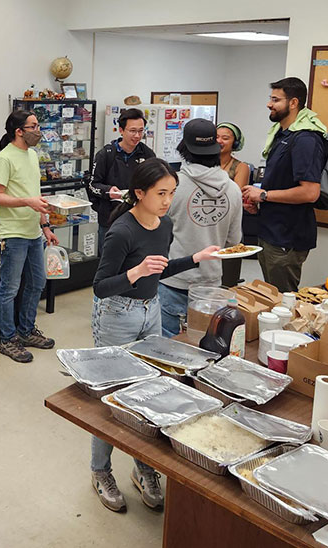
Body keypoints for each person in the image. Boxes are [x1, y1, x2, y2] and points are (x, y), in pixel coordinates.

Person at [90, 157, 220, 512]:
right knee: (112, 398)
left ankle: (143, 466)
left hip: (151, 311)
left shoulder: (165, 225)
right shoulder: (121, 231)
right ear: (139, 193)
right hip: (117, 315)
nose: (167, 200)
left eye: (172, 193)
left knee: (149, 392)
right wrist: (135, 272)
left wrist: (196, 257)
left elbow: (158, 271)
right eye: (161, 193)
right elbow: (100, 287)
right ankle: (100, 470)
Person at [241, 77, 328, 293]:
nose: (269, 104)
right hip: (270, 230)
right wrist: (259, 202)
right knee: (270, 297)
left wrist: (264, 195)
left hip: (287, 237)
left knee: (283, 301)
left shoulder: (305, 140)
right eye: (270, 98)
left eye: (275, 100)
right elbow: (281, 181)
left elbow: (310, 192)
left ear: (293, 103)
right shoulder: (282, 135)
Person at [158, 120, 243, 337]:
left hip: (173, 279)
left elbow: (155, 232)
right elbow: (234, 242)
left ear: (183, 148)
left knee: (168, 346)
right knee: (205, 344)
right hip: (211, 283)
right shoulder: (233, 190)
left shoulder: (171, 187)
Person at [0, 109, 60, 363]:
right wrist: (27, 202)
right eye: (33, 126)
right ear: (18, 131)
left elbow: (35, 195)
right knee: (9, 288)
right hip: (13, 233)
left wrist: (46, 226)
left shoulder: (32, 155)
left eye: (38, 125)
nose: (38, 131)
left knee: (37, 283)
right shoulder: (4, 158)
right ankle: (8, 339)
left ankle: (27, 331)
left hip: (33, 232)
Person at [87, 108, 156, 255]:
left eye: (141, 131)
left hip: (139, 219)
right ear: (121, 130)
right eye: (132, 131)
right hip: (110, 220)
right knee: (110, 262)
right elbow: (93, 185)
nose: (137, 136)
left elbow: (155, 184)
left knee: (136, 260)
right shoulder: (106, 154)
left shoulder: (147, 155)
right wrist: (108, 191)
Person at [215, 121, 250, 288]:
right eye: (216, 137)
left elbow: (235, 196)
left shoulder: (241, 167)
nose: (219, 141)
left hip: (228, 226)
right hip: (207, 225)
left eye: (225, 138)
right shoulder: (204, 164)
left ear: (235, 143)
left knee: (227, 280)